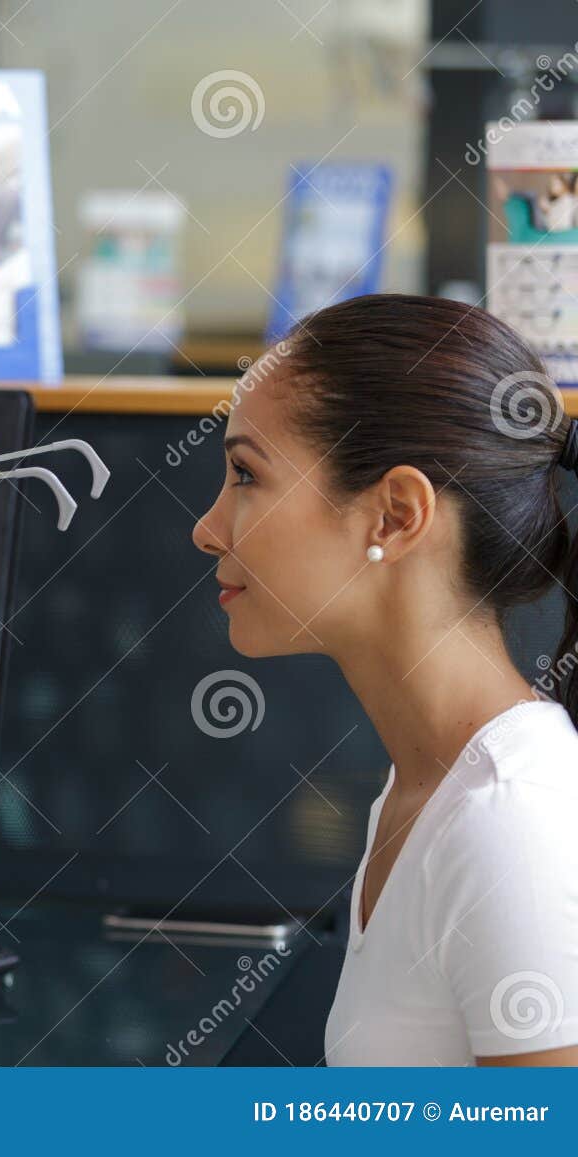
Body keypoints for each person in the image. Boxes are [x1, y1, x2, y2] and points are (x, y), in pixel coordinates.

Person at [192, 293, 578, 1066]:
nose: (206, 528)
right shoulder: (420, 786)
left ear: (396, 516)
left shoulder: (506, 824)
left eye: (245, 474)